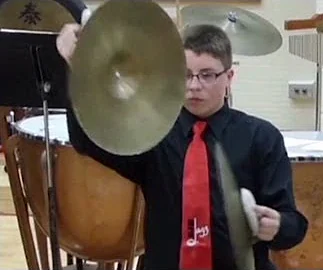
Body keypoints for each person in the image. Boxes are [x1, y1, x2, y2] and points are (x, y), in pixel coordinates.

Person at [56, 20, 308, 270]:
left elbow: (293, 226)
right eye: (186, 75)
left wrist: (278, 225)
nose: (194, 86)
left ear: (230, 76)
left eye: (207, 75)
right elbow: (87, 141)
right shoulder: (154, 132)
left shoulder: (262, 137)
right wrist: (77, 68)